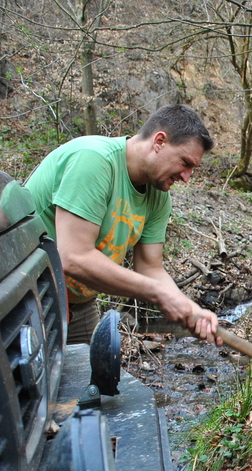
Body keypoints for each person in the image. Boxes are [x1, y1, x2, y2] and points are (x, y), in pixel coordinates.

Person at [26, 104, 222, 346]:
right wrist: (158, 294)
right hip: (30, 300)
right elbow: (73, 257)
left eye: (193, 169)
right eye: (185, 163)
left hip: (79, 303)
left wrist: (190, 310)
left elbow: (151, 267)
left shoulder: (159, 195)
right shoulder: (94, 160)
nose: (186, 177)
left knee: (90, 381)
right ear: (159, 141)